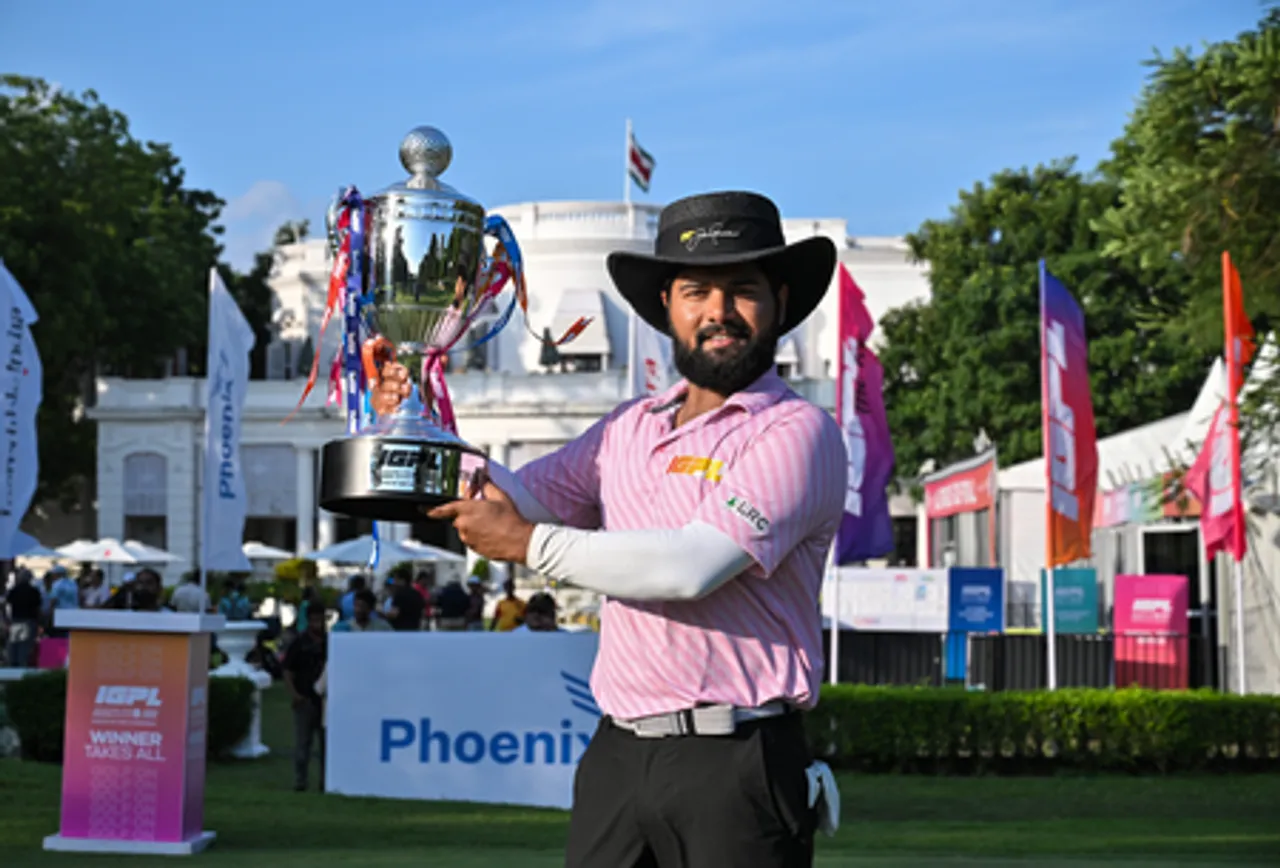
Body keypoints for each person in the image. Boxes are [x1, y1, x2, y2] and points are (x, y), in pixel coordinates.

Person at [424, 191, 848, 867]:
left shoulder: (798, 431)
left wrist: (530, 545)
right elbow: (517, 497)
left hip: (736, 758)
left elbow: (692, 566)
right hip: (618, 752)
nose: (718, 311)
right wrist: (417, 414)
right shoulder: (629, 428)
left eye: (742, 290)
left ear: (780, 302)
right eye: (696, 292)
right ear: (667, 310)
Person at [283, 602, 328, 792]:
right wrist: (294, 694)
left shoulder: (329, 641)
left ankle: (325, 781)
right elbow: (287, 670)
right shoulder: (299, 643)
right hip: (305, 697)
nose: (317, 624)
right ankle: (301, 781)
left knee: (326, 744)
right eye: (314, 620)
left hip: (325, 701)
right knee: (303, 743)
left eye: (320, 620)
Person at [4, 568, 43, 667]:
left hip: (15, 620)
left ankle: (12, 666)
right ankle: (22, 668)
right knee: (25, 646)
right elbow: (38, 608)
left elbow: (6, 604)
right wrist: (39, 622)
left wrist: (6, 620)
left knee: (13, 645)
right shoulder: (34, 591)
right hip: (29, 621)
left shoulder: (14, 590)